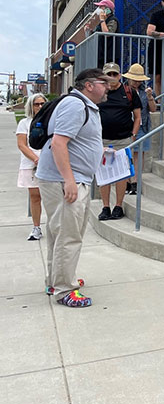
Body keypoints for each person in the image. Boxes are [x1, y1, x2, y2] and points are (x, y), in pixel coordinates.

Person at [37, 68, 110, 308]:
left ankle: (57, 280)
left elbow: (80, 141)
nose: (108, 86)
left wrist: (101, 152)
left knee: (60, 232)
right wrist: (69, 180)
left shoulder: (83, 106)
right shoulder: (76, 105)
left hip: (69, 178)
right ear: (89, 85)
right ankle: (64, 289)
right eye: (103, 82)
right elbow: (59, 143)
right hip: (65, 181)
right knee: (69, 234)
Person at [97, 62, 142, 221]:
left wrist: (133, 135)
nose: (111, 78)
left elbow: (137, 117)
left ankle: (118, 206)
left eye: (114, 74)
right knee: (104, 175)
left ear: (120, 75)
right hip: (102, 140)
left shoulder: (129, 92)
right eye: (108, 74)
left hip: (123, 139)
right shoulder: (99, 92)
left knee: (122, 175)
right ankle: (105, 207)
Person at [122, 63, 156, 196]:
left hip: (142, 125)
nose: (136, 82)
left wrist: (150, 97)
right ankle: (127, 181)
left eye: (139, 80)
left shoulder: (145, 91)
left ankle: (135, 181)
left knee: (138, 154)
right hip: (126, 125)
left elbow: (153, 109)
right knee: (126, 155)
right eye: (134, 79)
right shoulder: (123, 90)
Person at [17, 93, 47, 241]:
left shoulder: (50, 122)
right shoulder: (24, 123)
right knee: (35, 197)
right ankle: (36, 227)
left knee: (53, 197)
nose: (40, 107)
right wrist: (36, 159)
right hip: (31, 164)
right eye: (37, 104)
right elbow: (22, 145)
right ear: (31, 106)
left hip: (49, 164)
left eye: (42, 104)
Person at [87, 0, 120, 68]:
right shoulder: (102, 23)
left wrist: (102, 20)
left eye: (101, 7)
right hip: (101, 55)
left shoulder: (112, 20)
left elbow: (107, 33)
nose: (99, 10)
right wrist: (89, 31)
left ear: (108, 9)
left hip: (109, 55)